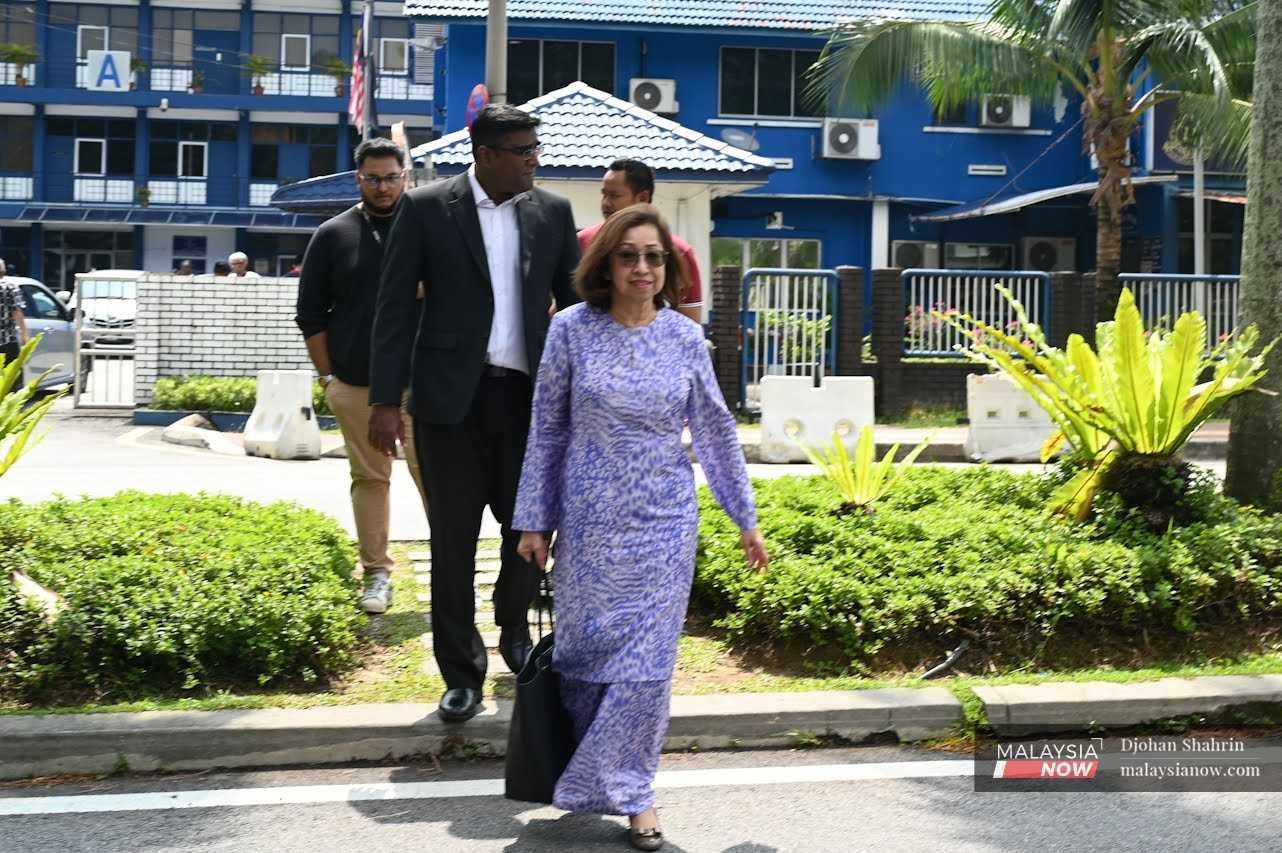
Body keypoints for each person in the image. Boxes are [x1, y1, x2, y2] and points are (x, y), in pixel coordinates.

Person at [513, 204, 768, 851]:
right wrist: (535, 518)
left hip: (664, 525)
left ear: (668, 268)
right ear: (606, 264)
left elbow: (714, 430)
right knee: (585, 659)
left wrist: (744, 516)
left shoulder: (683, 337)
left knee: (646, 668)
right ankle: (589, 771)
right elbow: (547, 428)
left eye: (655, 257)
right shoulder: (571, 330)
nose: (643, 268)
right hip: (590, 523)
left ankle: (635, 796)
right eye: (629, 255)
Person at [369, 104, 581, 723]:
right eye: (523, 151)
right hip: (447, 405)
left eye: (536, 148)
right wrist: (385, 400)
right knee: (453, 542)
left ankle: (513, 629)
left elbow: (575, 310)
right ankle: (461, 672)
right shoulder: (427, 208)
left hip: (527, 404)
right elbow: (393, 308)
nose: (534, 160)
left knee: (526, 532)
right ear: (486, 155)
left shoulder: (553, 212)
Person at [296, 138, 428, 614]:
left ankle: (453, 571)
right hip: (355, 383)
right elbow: (311, 315)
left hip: (420, 384)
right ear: (358, 179)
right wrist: (328, 378)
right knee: (370, 478)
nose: (383, 187)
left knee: (436, 476)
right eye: (373, 178)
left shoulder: (429, 227)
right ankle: (376, 574)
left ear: (405, 177)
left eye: (391, 177)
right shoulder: (333, 234)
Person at [578, 160, 704, 323]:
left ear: (643, 198)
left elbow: (690, 321)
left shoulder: (679, 252)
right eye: (604, 195)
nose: (606, 203)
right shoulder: (583, 242)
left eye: (614, 196)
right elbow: (561, 304)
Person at [0, 258, 28, 367]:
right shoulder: (10, 288)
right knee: (12, 374)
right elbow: (17, 312)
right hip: (7, 342)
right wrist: (24, 335)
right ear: (3, 271)